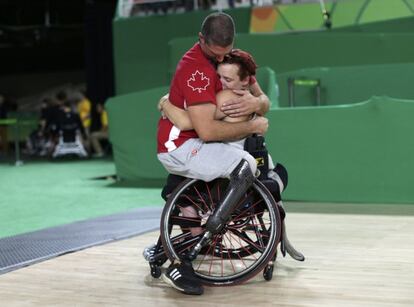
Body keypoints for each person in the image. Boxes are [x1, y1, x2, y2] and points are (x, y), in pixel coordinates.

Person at [156, 12, 269, 295]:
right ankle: (182, 262)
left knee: (255, 159)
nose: (221, 60)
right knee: (244, 165)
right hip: (181, 146)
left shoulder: (234, 60)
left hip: (200, 140)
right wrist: (253, 123)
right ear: (200, 39)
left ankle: (198, 229)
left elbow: (263, 99)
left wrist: (256, 102)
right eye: (215, 54)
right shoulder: (195, 70)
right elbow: (204, 131)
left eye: (225, 54)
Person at [158, 48, 288, 234]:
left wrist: (165, 102)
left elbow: (187, 122)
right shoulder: (241, 80)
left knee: (175, 186)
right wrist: (258, 104)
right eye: (219, 77)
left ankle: (198, 234)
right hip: (248, 150)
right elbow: (264, 99)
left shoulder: (227, 97)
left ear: (245, 80)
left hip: (229, 155)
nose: (220, 83)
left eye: (227, 80)